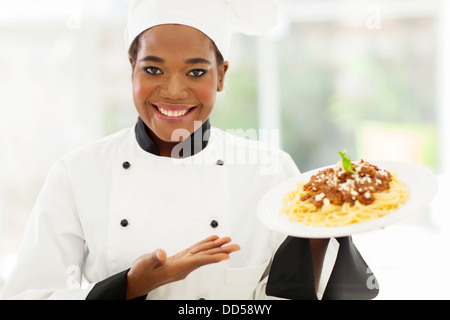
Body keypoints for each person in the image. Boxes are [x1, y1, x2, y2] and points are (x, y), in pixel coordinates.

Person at [1, 0, 378, 300]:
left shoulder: (271, 171)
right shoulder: (77, 173)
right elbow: (29, 296)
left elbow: (298, 294)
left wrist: (322, 232)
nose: (174, 91)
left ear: (222, 75)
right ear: (131, 68)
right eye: (153, 70)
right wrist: (129, 287)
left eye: (196, 72)